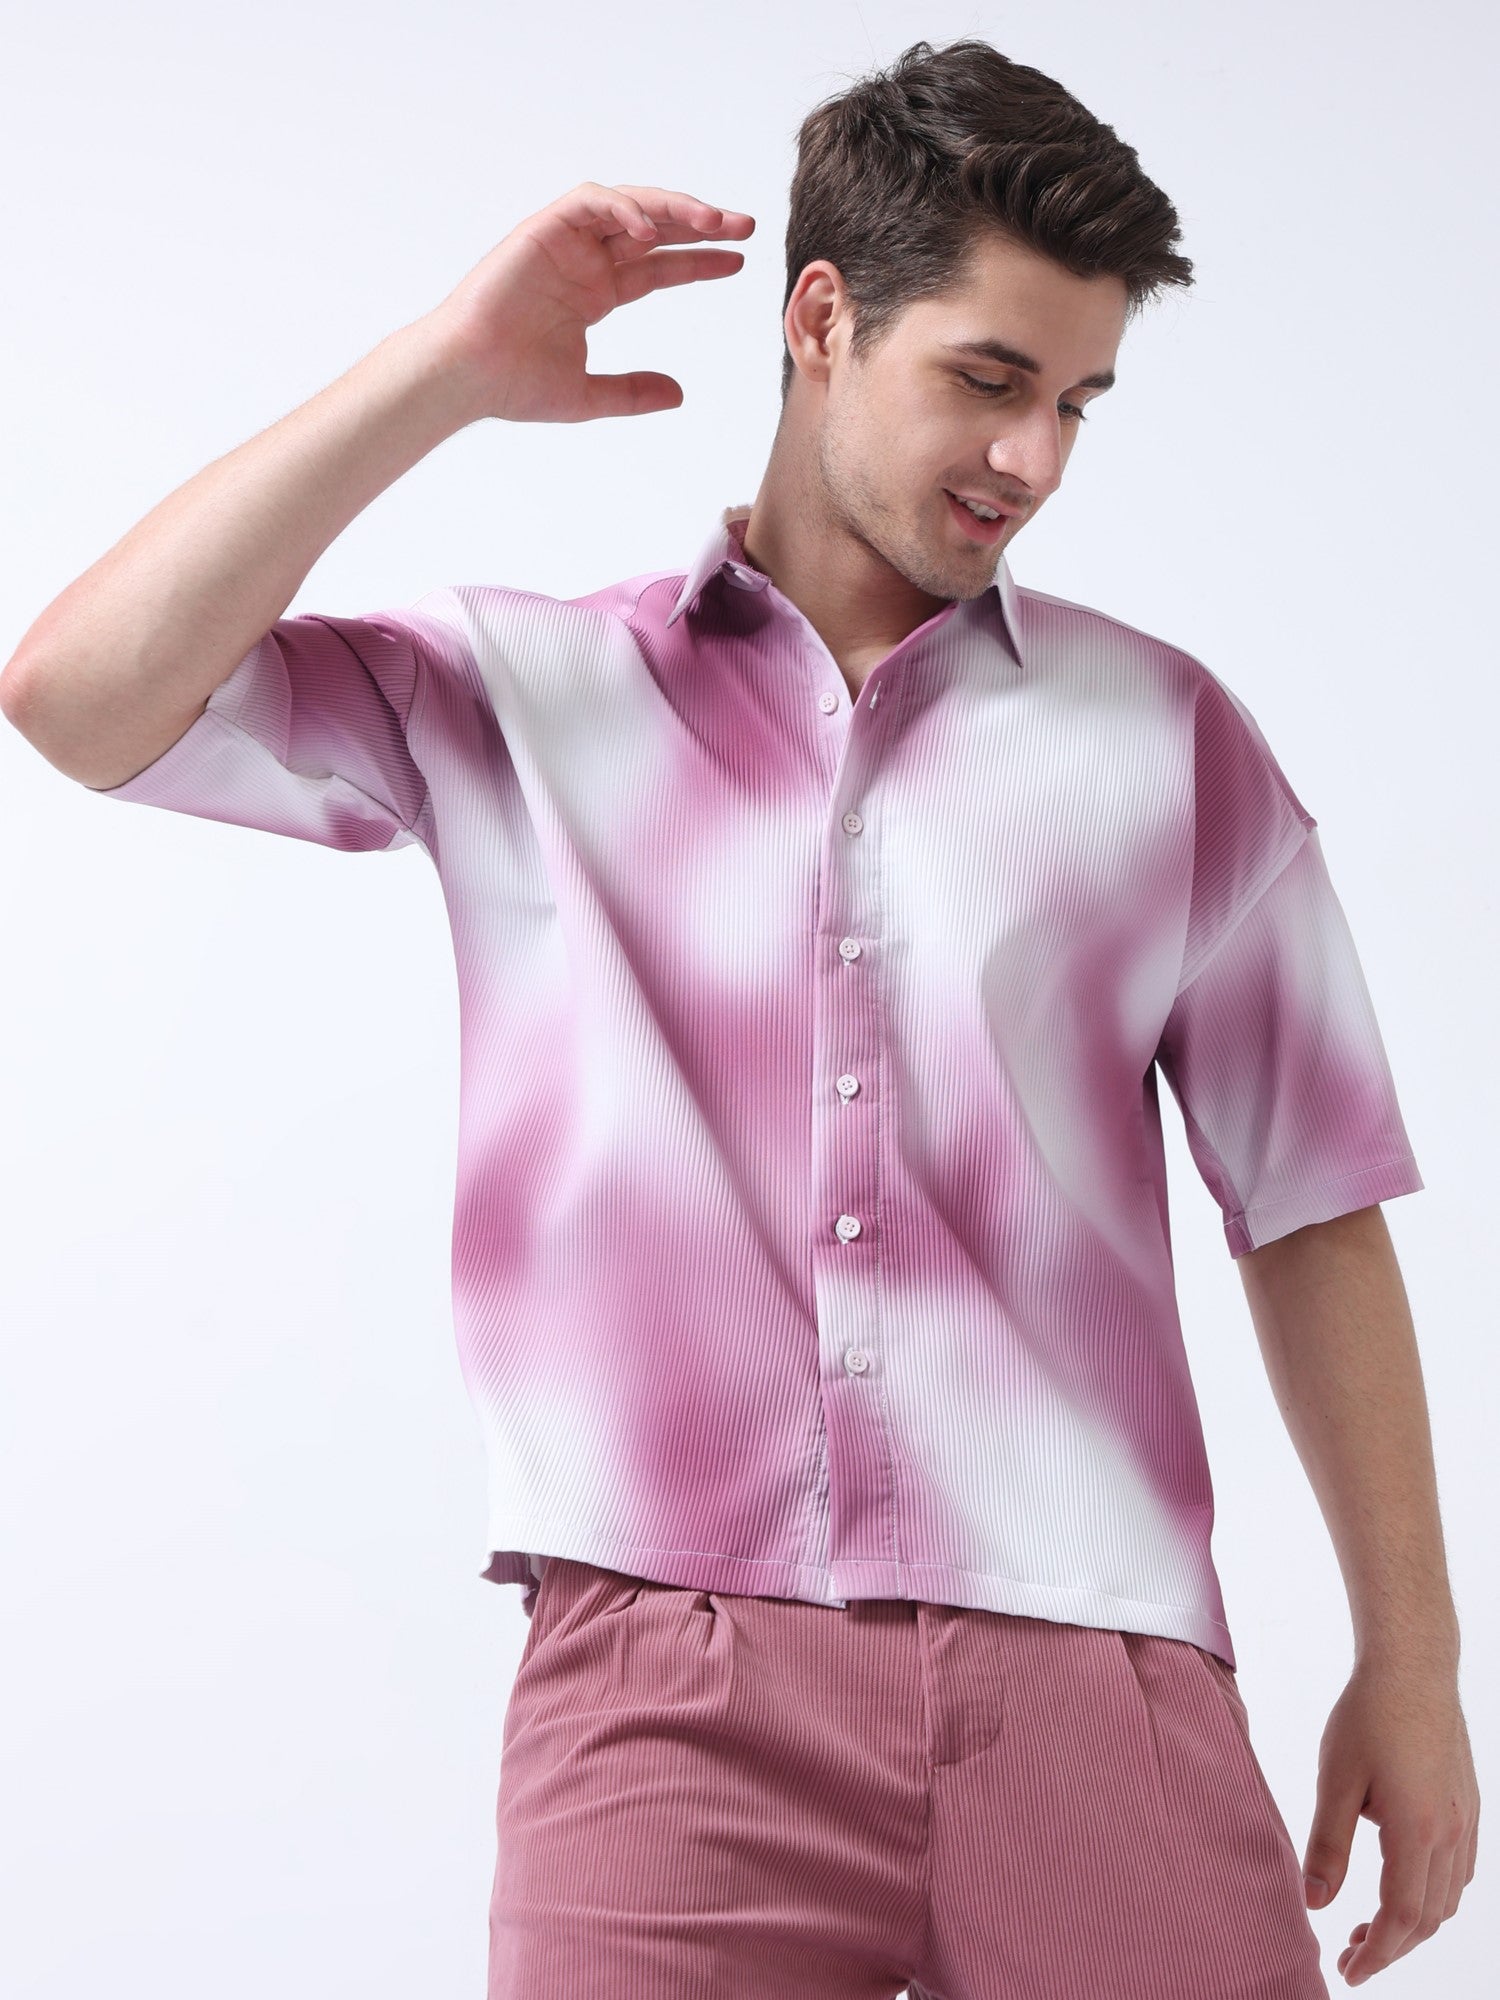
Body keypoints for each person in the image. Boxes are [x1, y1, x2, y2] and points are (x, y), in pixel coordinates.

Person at [1, 35, 1476, 2000]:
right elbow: (81, 698)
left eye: (1077, 402)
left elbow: (1312, 1205)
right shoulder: (524, 695)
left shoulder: (1167, 740)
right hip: (662, 1697)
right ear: (820, 319)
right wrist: (445, 368)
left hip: (1096, 1676)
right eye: (989, 381)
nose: (1035, 462)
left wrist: (1414, 1662)